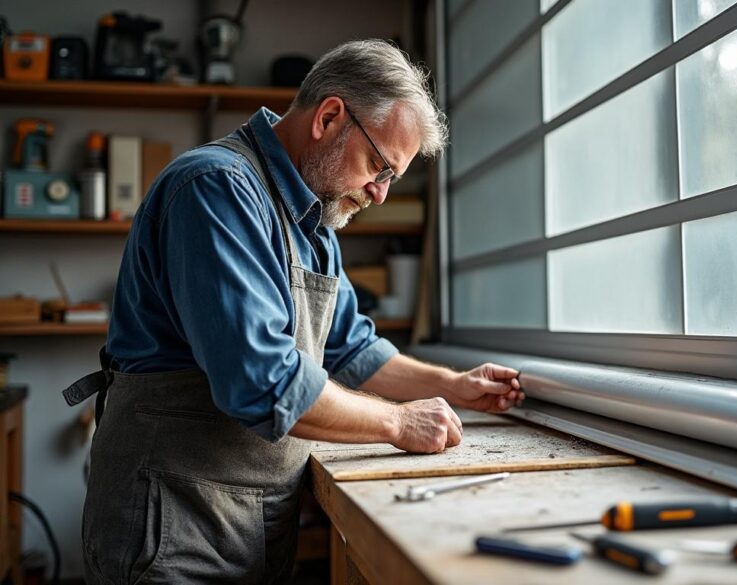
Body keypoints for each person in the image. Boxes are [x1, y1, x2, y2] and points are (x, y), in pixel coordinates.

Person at [63, 39, 524, 584]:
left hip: (249, 519)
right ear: (329, 117)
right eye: (378, 166)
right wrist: (398, 421)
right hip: (170, 522)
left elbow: (351, 347)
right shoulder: (218, 189)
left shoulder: (315, 220)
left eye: (391, 179)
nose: (379, 194)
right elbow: (263, 383)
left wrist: (455, 384)